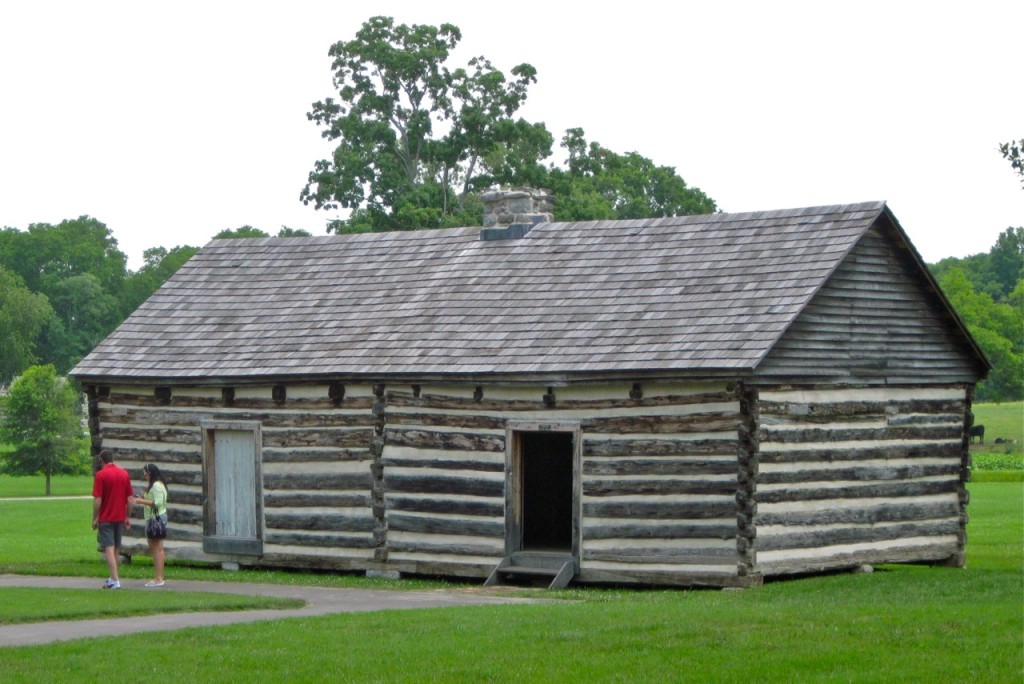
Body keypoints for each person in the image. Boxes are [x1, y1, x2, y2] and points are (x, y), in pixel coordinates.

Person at [92, 450, 133, 589]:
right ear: (113, 459)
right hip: (120, 517)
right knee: (116, 549)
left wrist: (95, 517)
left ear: (101, 461)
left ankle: (116, 581)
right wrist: (128, 515)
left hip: (106, 517)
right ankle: (112, 578)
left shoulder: (100, 475)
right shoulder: (124, 474)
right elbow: (130, 499)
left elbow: (98, 499)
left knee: (108, 549)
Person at [133, 463, 169, 587]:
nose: (144, 476)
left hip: (155, 518)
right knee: (158, 548)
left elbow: (158, 503)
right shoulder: (158, 484)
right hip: (157, 517)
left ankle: (159, 578)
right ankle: (159, 576)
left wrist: (140, 501)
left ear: (150, 473)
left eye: (146, 473)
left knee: (156, 548)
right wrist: (143, 497)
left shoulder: (155, 486)